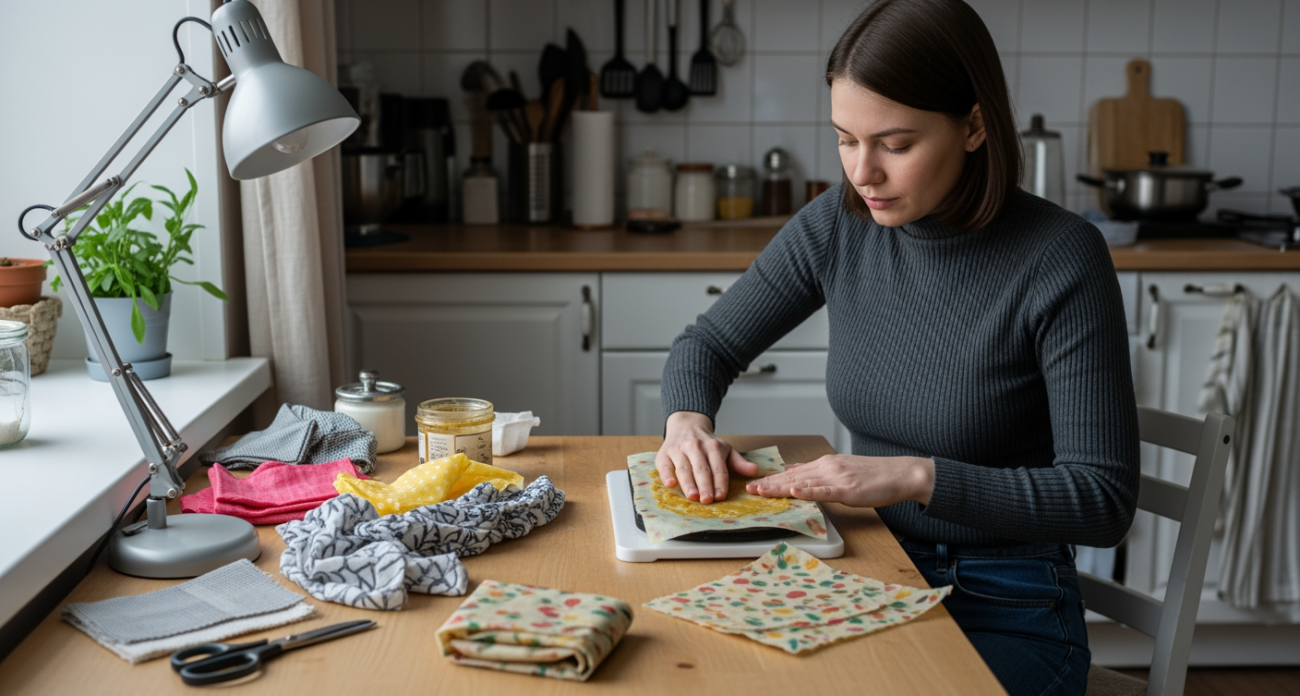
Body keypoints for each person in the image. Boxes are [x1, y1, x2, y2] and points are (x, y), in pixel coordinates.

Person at [654, 1, 1140, 694]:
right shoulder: (838, 224)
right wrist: (686, 425)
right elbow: (706, 344)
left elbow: (1102, 499)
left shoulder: (1061, 257)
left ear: (974, 126)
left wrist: (916, 477)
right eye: (846, 139)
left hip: (1008, 599)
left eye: (895, 144)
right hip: (867, 568)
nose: (863, 173)